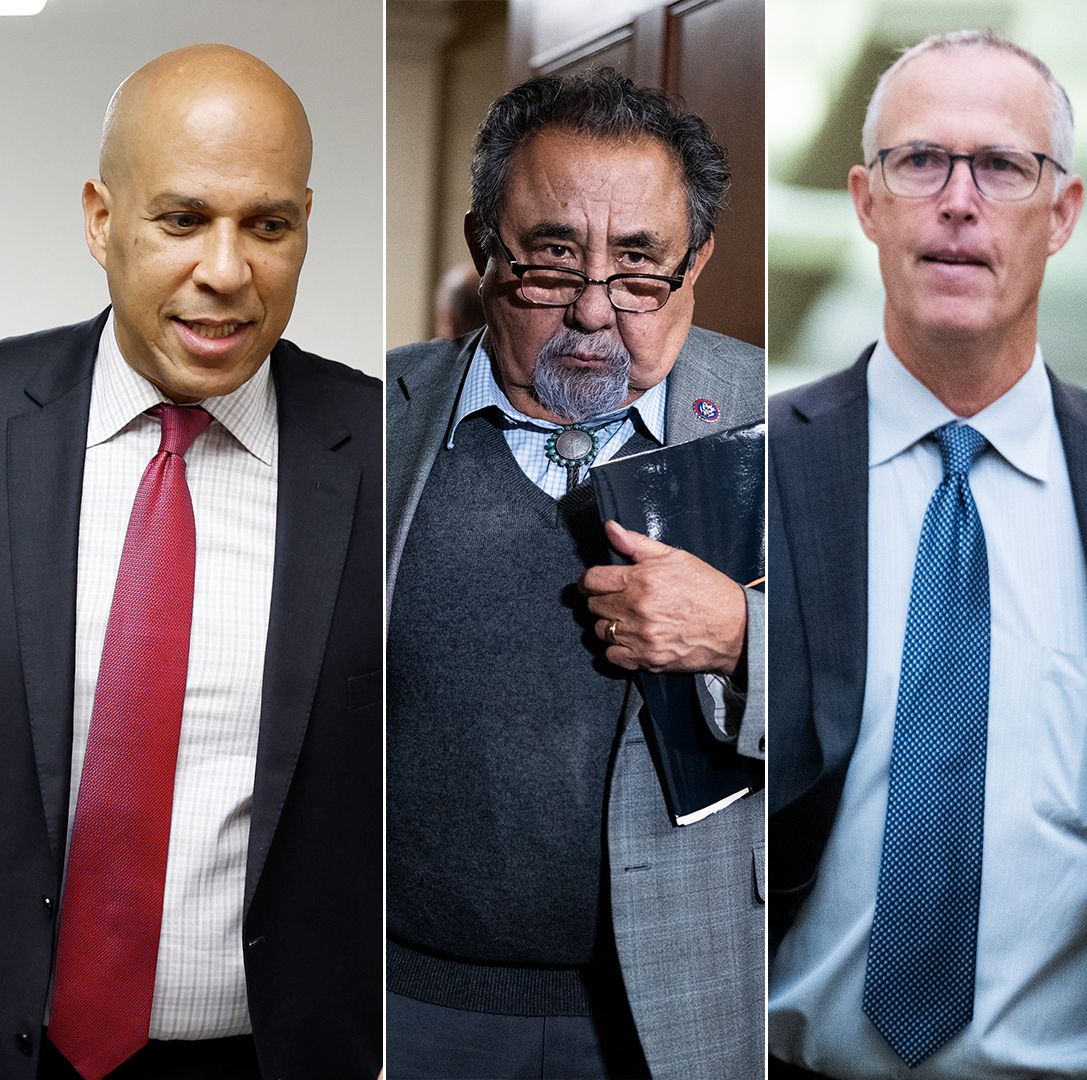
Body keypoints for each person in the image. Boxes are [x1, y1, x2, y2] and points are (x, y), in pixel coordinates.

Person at [765, 30, 1087, 1080]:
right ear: (865, 200)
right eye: (920, 161)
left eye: (1004, 166)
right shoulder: (754, 472)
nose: (959, 201)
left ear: (1061, 212)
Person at [0, 45, 380, 1080]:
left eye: (268, 225)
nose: (226, 270)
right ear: (100, 220)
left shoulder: (387, 447)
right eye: (181, 220)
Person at [384, 67, 765, 1080]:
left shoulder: (789, 419)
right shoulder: (373, 420)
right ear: (482, 248)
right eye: (552, 263)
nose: (596, 314)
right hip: (408, 1004)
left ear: (700, 261)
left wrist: (740, 636)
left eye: (642, 270)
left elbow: (894, 696)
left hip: (676, 1013)